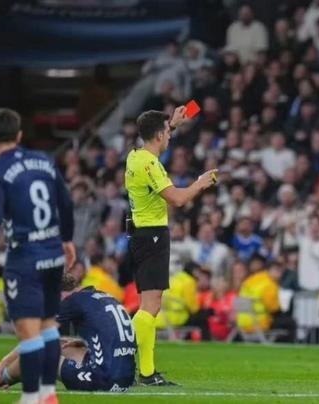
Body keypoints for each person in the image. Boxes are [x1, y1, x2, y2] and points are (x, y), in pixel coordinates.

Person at [0, 108, 75, 404]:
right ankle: (47, 394)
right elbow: (66, 203)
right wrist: (67, 239)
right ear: (19, 135)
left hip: (25, 258)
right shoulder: (44, 160)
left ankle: (30, 397)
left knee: (28, 332)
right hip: (53, 255)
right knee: (48, 326)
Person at [125, 107, 217, 386]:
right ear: (158, 135)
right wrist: (200, 184)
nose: (170, 136)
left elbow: (154, 145)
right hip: (151, 235)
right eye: (167, 132)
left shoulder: (135, 155)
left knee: (149, 305)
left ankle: (146, 372)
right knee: (150, 307)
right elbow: (177, 198)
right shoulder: (150, 164)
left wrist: (172, 124)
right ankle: (117, 351)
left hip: (141, 234)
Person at [0, 273, 136, 392]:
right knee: (62, 344)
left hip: (102, 380)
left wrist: (4, 361)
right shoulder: (101, 296)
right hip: (124, 380)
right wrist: (82, 342)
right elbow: (111, 335)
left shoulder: (71, 302)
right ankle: (4, 377)